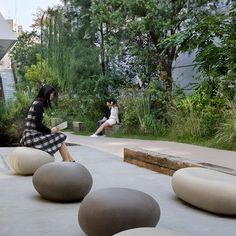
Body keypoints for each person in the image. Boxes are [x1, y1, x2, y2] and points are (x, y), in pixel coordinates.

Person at [20, 85, 76, 162]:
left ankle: (70, 160)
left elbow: (37, 125)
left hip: (29, 135)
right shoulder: (39, 104)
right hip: (31, 137)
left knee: (58, 137)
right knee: (59, 137)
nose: (53, 96)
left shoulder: (37, 102)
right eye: (52, 94)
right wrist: (50, 131)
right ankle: (67, 161)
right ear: (47, 93)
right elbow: (38, 125)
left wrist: (51, 130)